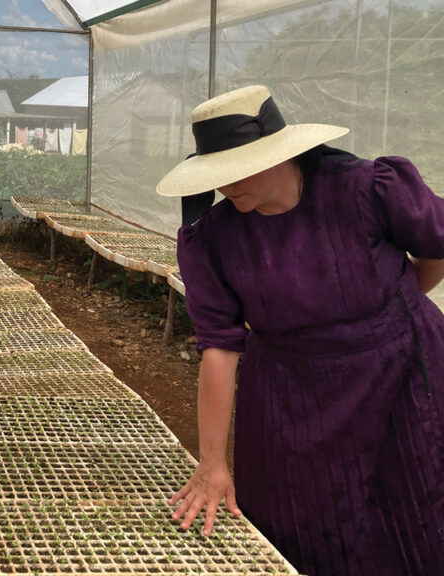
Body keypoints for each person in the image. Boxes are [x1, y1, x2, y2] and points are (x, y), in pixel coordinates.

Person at [156, 85, 444, 575]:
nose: (227, 186)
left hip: (403, 376)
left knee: (418, 500)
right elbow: (220, 349)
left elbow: (436, 246)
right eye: (217, 175)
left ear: (281, 154)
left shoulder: (367, 187)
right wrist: (211, 464)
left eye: (238, 168)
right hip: (290, 393)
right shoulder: (213, 239)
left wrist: (390, 310)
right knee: (297, 518)